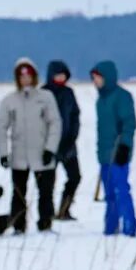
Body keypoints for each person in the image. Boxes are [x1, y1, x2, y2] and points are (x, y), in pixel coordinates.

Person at [0, 58, 61, 233]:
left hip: (42, 153)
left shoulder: (45, 98)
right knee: (18, 194)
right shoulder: (10, 100)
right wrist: (3, 153)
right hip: (19, 156)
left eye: (29, 75)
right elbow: (1, 126)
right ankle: (18, 226)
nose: (25, 79)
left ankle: (45, 224)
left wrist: (50, 149)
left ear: (34, 77)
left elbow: (55, 123)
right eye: (22, 76)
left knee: (46, 193)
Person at [91, 60, 136, 236]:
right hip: (104, 154)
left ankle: (129, 226)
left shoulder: (122, 96)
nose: (95, 81)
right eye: (93, 78)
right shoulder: (100, 100)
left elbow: (129, 123)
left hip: (119, 153)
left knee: (121, 190)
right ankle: (110, 228)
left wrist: (124, 146)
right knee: (109, 193)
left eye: (98, 78)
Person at [43, 60, 81, 220]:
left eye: (63, 75)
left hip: (68, 144)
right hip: (49, 145)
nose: (61, 78)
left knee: (75, 177)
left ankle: (64, 209)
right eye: (58, 75)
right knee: (48, 181)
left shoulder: (69, 93)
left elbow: (75, 116)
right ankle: (48, 213)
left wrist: (72, 137)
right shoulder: (43, 93)